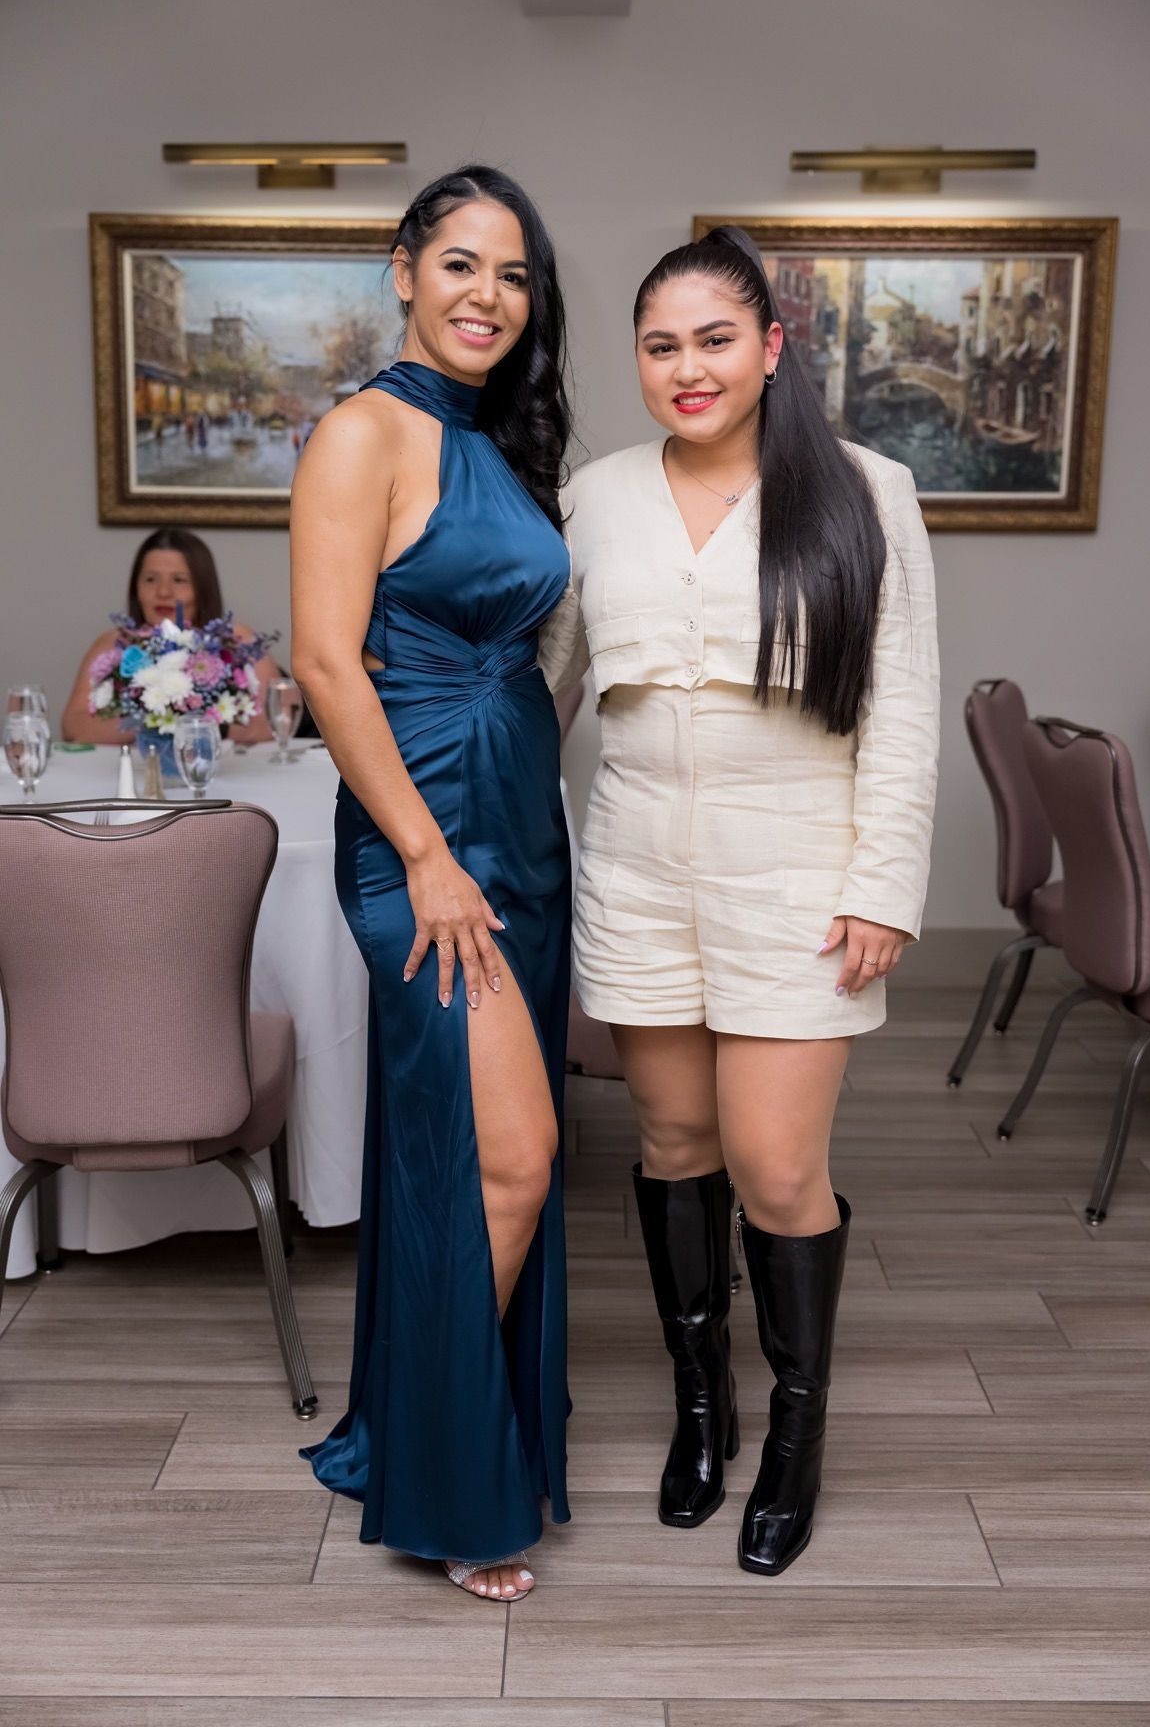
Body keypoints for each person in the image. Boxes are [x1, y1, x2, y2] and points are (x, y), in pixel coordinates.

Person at [540, 227, 939, 1576]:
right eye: (661, 346)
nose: (688, 367)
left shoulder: (868, 491)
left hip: (800, 879)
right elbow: (545, 687)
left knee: (777, 1170)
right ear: (638, 363)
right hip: (640, 866)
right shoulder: (593, 497)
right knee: (670, 1145)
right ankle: (701, 1410)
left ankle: (797, 1436)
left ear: (772, 347)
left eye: (716, 339)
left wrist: (881, 883)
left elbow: (902, 713)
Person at [291, 166, 574, 1604]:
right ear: (402, 270)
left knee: (471, 1158)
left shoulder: (496, 439)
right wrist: (425, 856)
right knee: (512, 1157)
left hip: (516, 827)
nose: (487, 296)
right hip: (429, 837)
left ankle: (412, 1429)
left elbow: (522, 645)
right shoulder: (364, 429)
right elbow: (329, 665)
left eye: (514, 276)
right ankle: (444, 1481)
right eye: (460, 263)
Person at [61, 528, 277, 745]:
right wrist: (153, 719)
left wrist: (189, 721)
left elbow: (273, 722)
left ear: (203, 588)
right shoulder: (114, 643)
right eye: (151, 579)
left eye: (179, 580)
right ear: (136, 589)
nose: (163, 592)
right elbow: (74, 727)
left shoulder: (238, 641)